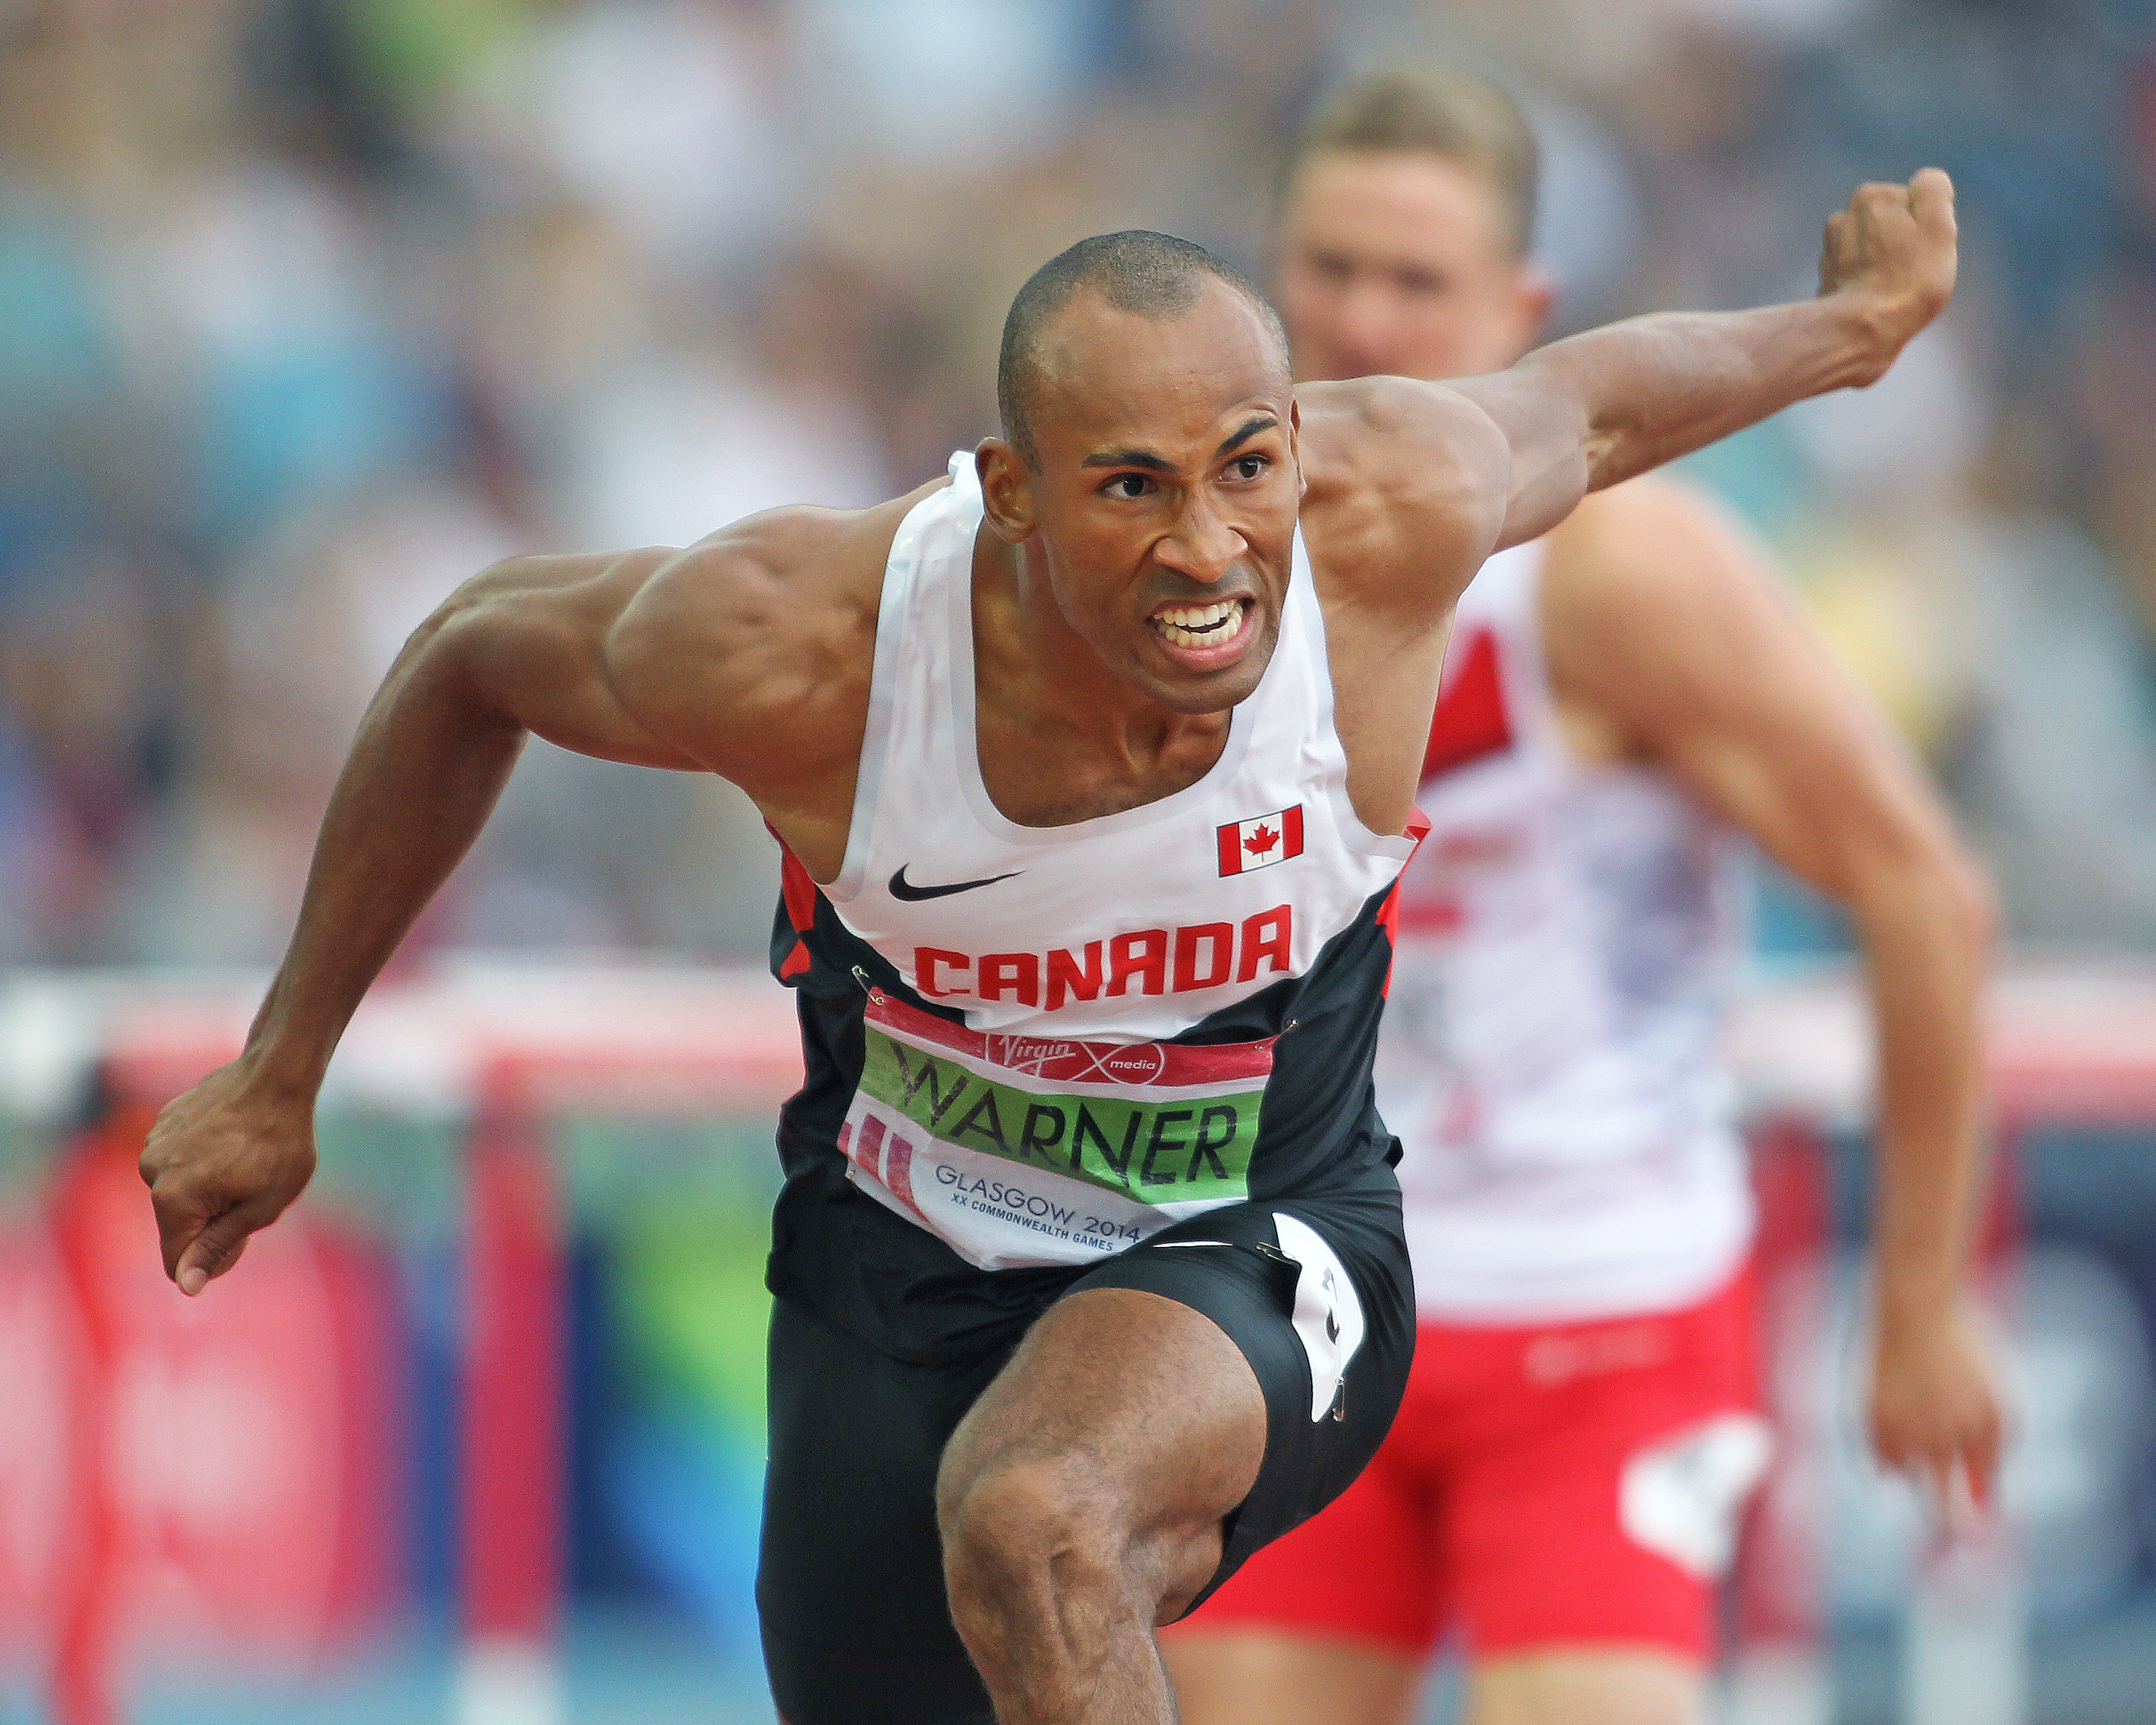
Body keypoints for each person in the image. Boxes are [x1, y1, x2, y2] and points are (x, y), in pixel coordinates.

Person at [139, 172, 1959, 1725]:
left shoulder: (1381, 527)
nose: (1210, 556)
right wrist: (280, 1071)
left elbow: (1605, 402)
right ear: (1009, 494)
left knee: (1039, 1517)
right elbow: (470, 657)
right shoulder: (811, 650)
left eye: (1248, 469)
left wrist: (1851, 333)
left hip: (1262, 1235)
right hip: (897, 1270)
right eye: (1132, 490)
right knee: (956, 1600)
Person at [1161, 70, 2003, 1725]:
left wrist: (1919, 1304)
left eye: (1420, 281)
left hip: (1596, 1319)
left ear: (1525, 311)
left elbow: (1924, 893)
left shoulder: (1616, 572)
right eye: (1329, 268)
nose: (1366, 315)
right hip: (1296, 1298)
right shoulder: (1195, 563)